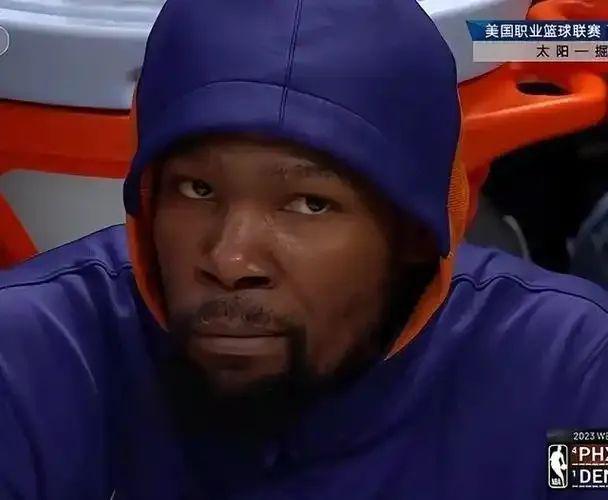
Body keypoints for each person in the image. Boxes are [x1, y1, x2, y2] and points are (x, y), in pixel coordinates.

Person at [1, 1, 607, 499]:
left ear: (415, 233)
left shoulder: (564, 377)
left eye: (309, 204)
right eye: (197, 189)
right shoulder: (32, 362)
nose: (230, 260)